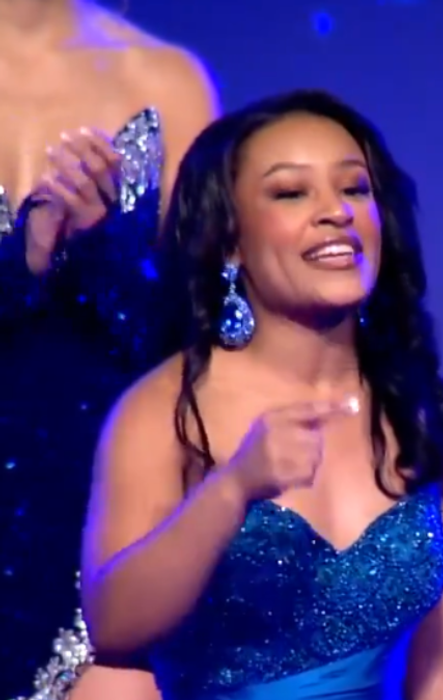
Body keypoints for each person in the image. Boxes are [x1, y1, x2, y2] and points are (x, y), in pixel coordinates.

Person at [77, 89, 443, 700]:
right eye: (291, 193)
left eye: (354, 189)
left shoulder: (427, 415)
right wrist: (233, 489)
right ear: (229, 241)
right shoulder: (167, 410)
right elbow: (112, 627)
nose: (336, 212)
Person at [0, 0, 218, 697]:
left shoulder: (165, 79)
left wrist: (106, 257)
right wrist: (22, 261)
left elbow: (210, 333)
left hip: (97, 518)